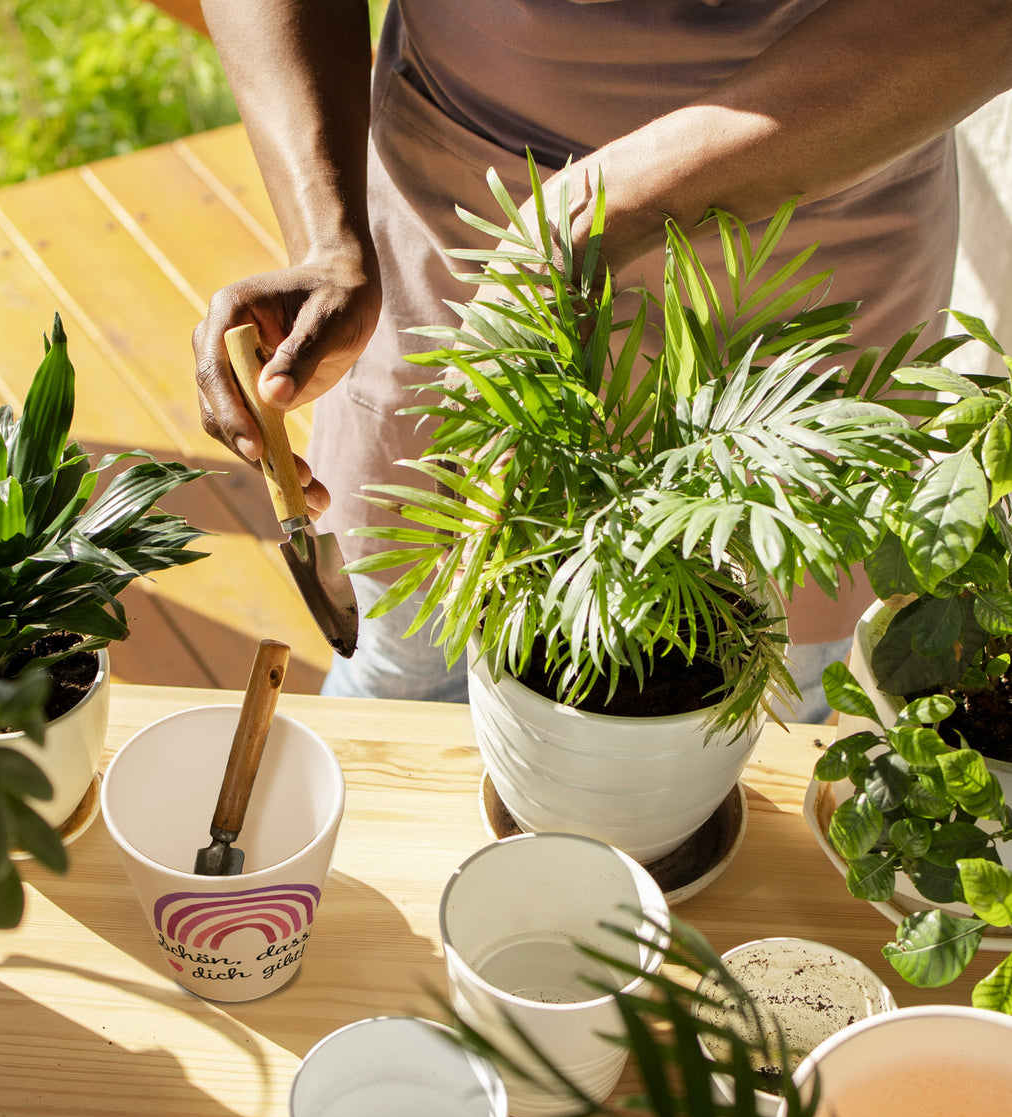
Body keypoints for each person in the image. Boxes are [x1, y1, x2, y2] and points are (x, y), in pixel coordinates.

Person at [193, 0, 1012, 720]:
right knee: (410, 665)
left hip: (811, 236)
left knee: (750, 705)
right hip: (458, 221)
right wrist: (327, 232)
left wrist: (599, 211)